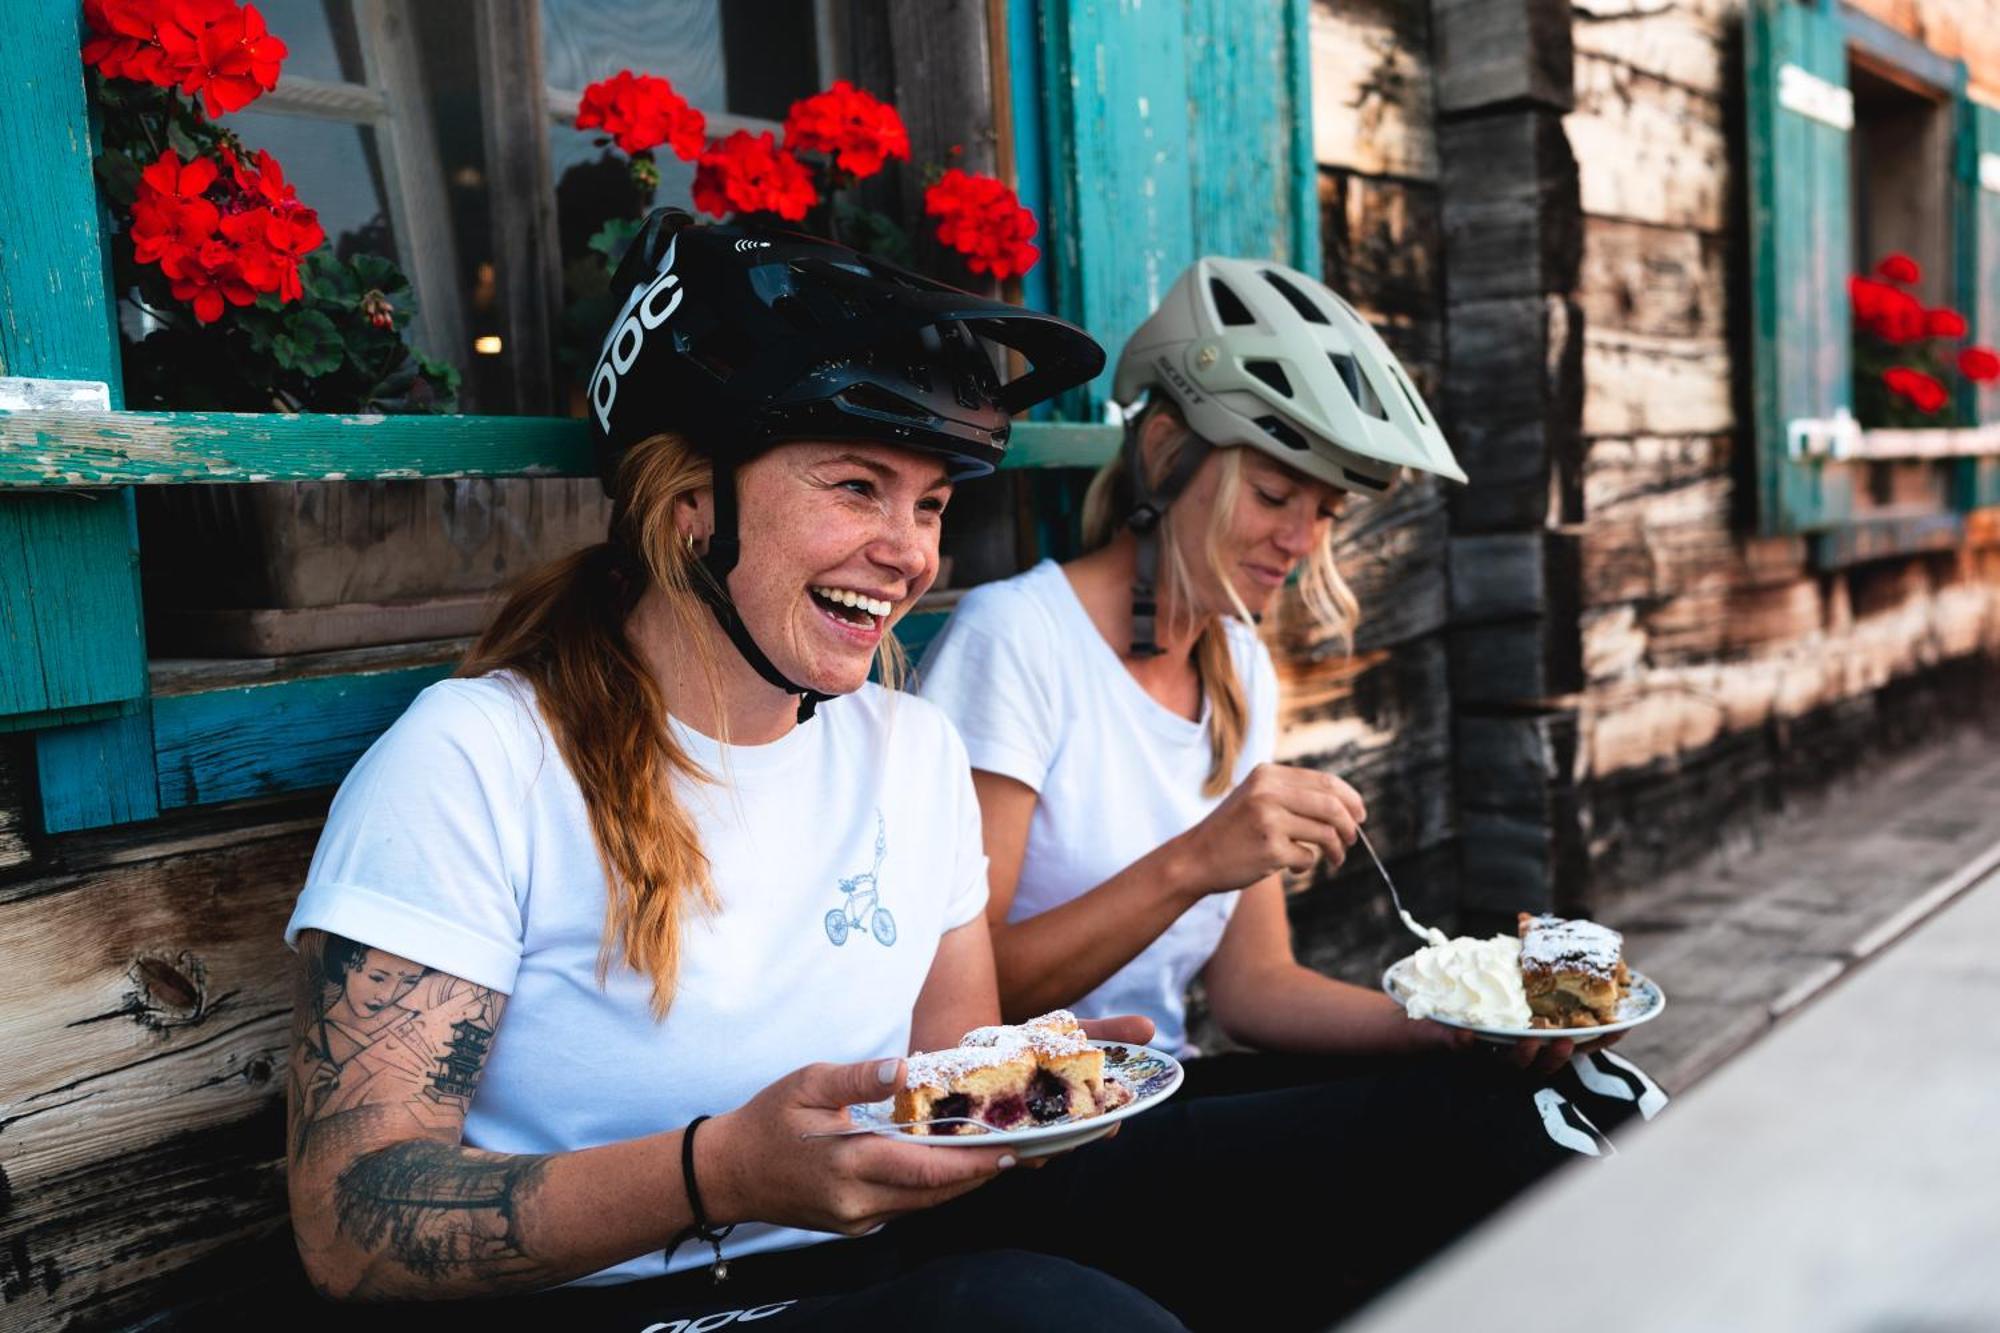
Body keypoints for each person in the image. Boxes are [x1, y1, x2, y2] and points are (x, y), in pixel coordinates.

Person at [280, 208, 1199, 1328]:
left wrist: (1029, 1089)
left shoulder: (908, 749)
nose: (910, 553)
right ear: (688, 507)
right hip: (611, 1306)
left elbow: (943, 1079)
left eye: (931, 506)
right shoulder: (478, 755)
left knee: (1363, 1146)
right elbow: (347, 1218)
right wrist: (716, 1174)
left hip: (866, 1268)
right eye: (856, 487)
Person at [916, 254, 1666, 1271]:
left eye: (1324, 512)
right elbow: (956, 1008)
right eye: (1275, 493)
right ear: (1167, 452)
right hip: (1035, 1137)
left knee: (1569, 1094)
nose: (1301, 541)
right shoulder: (1017, 641)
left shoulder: (1233, 662)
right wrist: (1194, 859)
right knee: (1501, 1145)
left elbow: (1254, 988)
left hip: (1161, 1088)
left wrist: (1458, 1029)